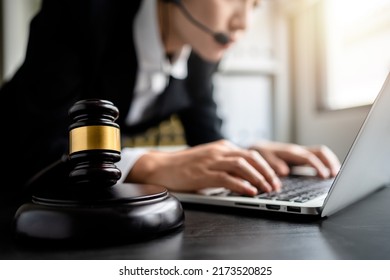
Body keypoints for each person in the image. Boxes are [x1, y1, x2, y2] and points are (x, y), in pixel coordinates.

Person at [1, 0, 340, 201]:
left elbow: (207, 140)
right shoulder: (80, 12)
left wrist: (247, 153)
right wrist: (154, 165)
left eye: (254, 4)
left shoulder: (201, 53)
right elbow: (39, 154)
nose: (243, 23)